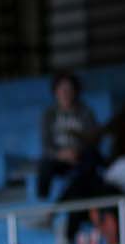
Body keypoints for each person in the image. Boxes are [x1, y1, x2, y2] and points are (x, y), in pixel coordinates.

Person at [37, 72, 100, 200]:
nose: (65, 93)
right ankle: (42, 201)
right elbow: (46, 143)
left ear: (75, 92)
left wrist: (76, 152)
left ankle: (85, 198)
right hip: (58, 158)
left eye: (69, 89)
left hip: (80, 155)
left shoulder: (86, 112)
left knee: (92, 158)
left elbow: (93, 138)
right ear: (55, 92)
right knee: (44, 164)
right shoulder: (48, 115)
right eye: (62, 90)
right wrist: (61, 154)